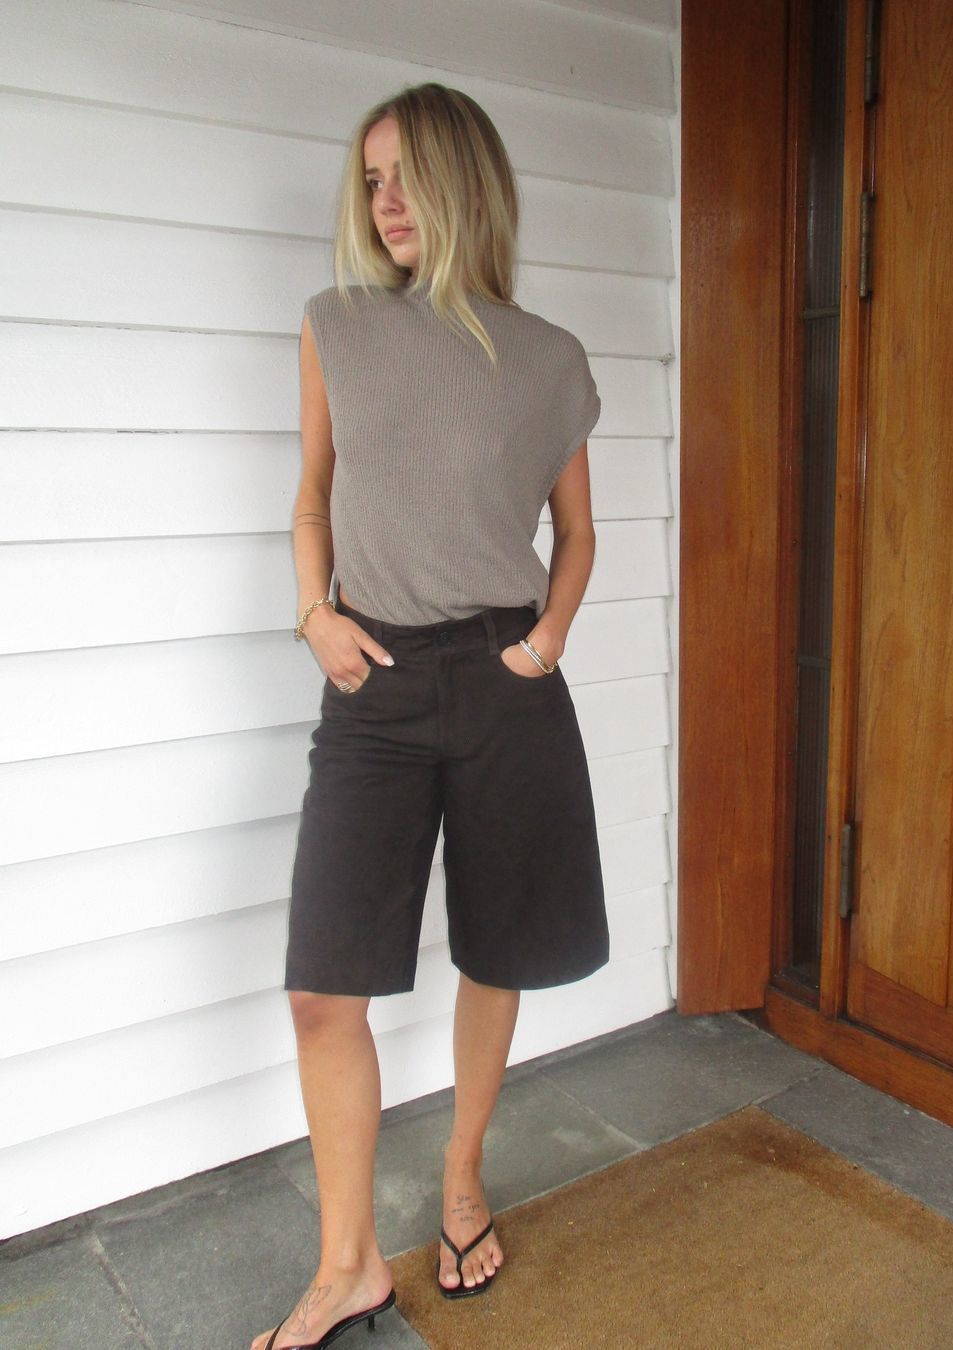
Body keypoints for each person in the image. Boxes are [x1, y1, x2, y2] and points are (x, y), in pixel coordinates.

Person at [253, 81, 609, 1350]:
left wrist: (546, 641)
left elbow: (575, 534)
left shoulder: (550, 357)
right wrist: (314, 613)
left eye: (406, 175)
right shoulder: (337, 326)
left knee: (496, 951)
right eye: (371, 181)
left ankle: (461, 1178)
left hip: (506, 684)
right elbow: (312, 497)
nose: (385, 202)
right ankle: (347, 1265)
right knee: (323, 988)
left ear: (467, 182)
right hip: (374, 683)